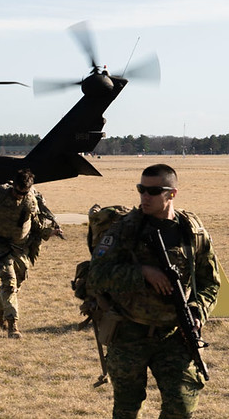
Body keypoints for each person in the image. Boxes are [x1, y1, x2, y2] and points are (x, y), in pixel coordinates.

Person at [87, 164, 221, 418]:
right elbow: (96, 276)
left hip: (175, 334)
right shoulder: (125, 229)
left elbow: (210, 282)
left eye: (153, 191)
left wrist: (197, 311)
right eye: (141, 189)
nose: (145, 197)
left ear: (172, 193)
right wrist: (143, 273)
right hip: (128, 333)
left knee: (181, 407)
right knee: (127, 409)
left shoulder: (192, 232)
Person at [0, 168, 62, 338]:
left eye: (24, 193)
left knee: (17, 283)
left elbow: (36, 224)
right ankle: (12, 325)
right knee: (9, 283)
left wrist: (50, 232)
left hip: (21, 247)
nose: (19, 196)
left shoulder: (31, 200)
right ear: (13, 185)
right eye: (17, 191)